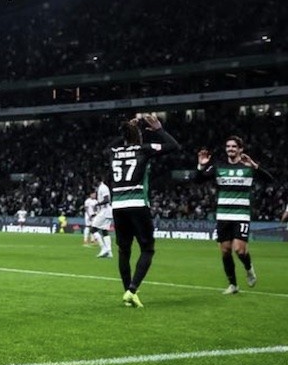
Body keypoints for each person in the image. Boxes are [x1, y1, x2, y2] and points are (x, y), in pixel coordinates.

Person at [106, 113, 180, 307]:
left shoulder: (113, 151)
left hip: (118, 205)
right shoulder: (143, 149)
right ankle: (132, 290)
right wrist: (158, 130)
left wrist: (126, 130)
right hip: (137, 203)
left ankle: (128, 293)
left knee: (124, 250)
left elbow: (107, 147)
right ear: (138, 136)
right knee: (147, 249)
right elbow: (174, 146)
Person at [196, 135, 269, 294]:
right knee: (225, 250)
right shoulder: (218, 166)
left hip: (241, 215)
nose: (231, 149)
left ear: (240, 149)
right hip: (223, 215)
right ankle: (233, 285)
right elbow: (198, 180)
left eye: (234, 146)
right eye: (228, 146)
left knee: (239, 250)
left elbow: (269, 180)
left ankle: (249, 269)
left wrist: (255, 166)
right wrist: (201, 166)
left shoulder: (247, 167)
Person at [88, 179, 113, 258]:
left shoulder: (103, 188)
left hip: (105, 211)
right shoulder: (101, 188)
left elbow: (107, 200)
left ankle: (103, 248)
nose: (94, 182)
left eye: (95, 180)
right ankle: (109, 252)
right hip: (107, 212)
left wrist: (97, 204)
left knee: (93, 229)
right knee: (105, 231)